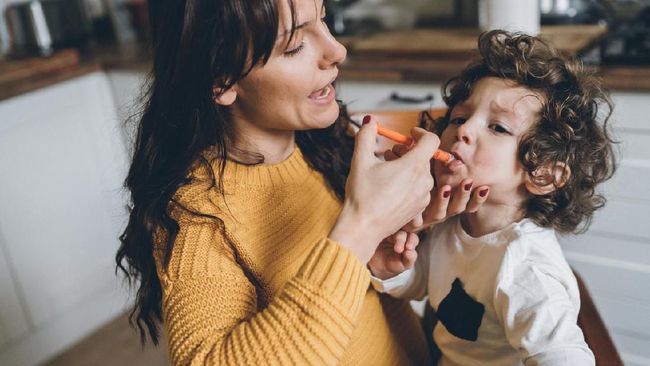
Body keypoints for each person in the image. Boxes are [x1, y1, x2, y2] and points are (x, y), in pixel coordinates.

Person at [115, 0, 488, 364]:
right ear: (221, 79)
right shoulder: (196, 214)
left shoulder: (325, 141)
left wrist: (402, 229)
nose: (337, 51)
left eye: (325, 20)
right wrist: (362, 226)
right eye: (295, 46)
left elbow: (360, 290)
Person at [368, 30, 616, 365]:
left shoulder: (526, 270)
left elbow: (565, 356)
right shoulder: (451, 224)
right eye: (459, 117)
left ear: (544, 175)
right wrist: (391, 267)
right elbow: (421, 283)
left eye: (497, 127)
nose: (464, 130)